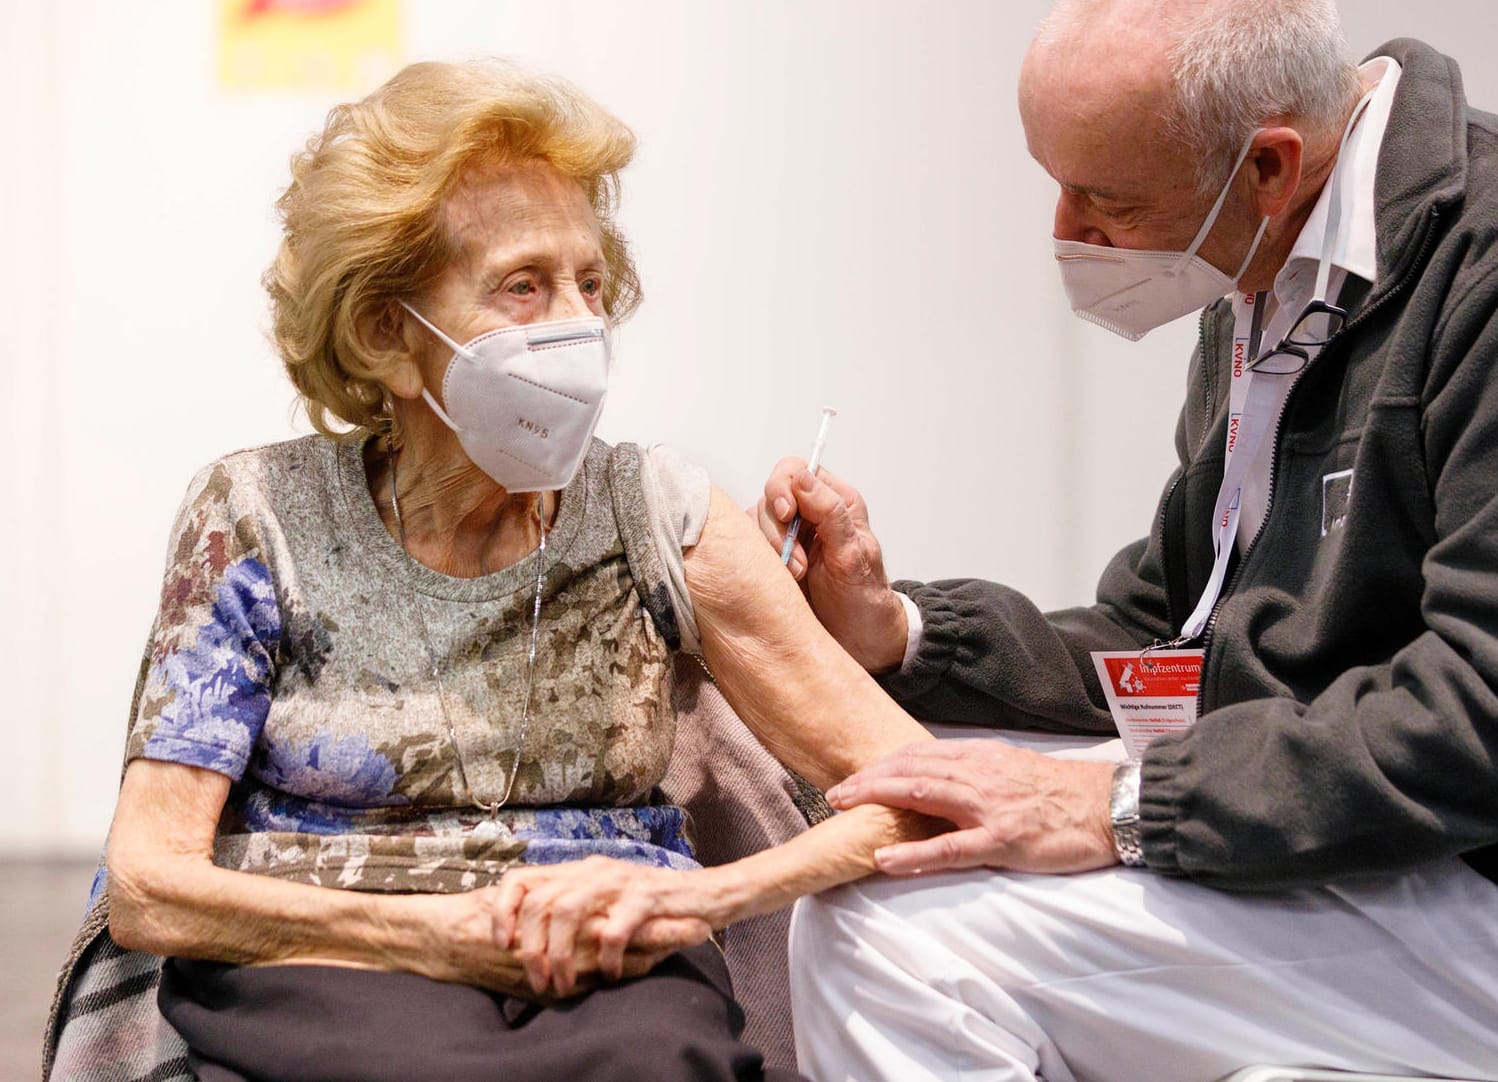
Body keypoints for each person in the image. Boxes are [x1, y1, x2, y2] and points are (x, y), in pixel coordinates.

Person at [759, 1, 1498, 1079]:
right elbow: (1171, 638)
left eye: (1105, 199)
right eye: (1055, 182)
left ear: (1266, 166)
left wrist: (1123, 805)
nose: (1065, 234)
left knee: (891, 937)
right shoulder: (1266, 261)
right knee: (896, 804)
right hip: (1361, 847)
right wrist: (905, 634)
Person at [46, 60, 940, 1082]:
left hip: (615, 958)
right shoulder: (259, 516)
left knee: (665, 1062)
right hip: (329, 953)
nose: (579, 326)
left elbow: (917, 790)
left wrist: (698, 898)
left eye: (591, 283)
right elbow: (152, 882)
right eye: (524, 285)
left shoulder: (657, 512)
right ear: (387, 334)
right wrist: (434, 935)